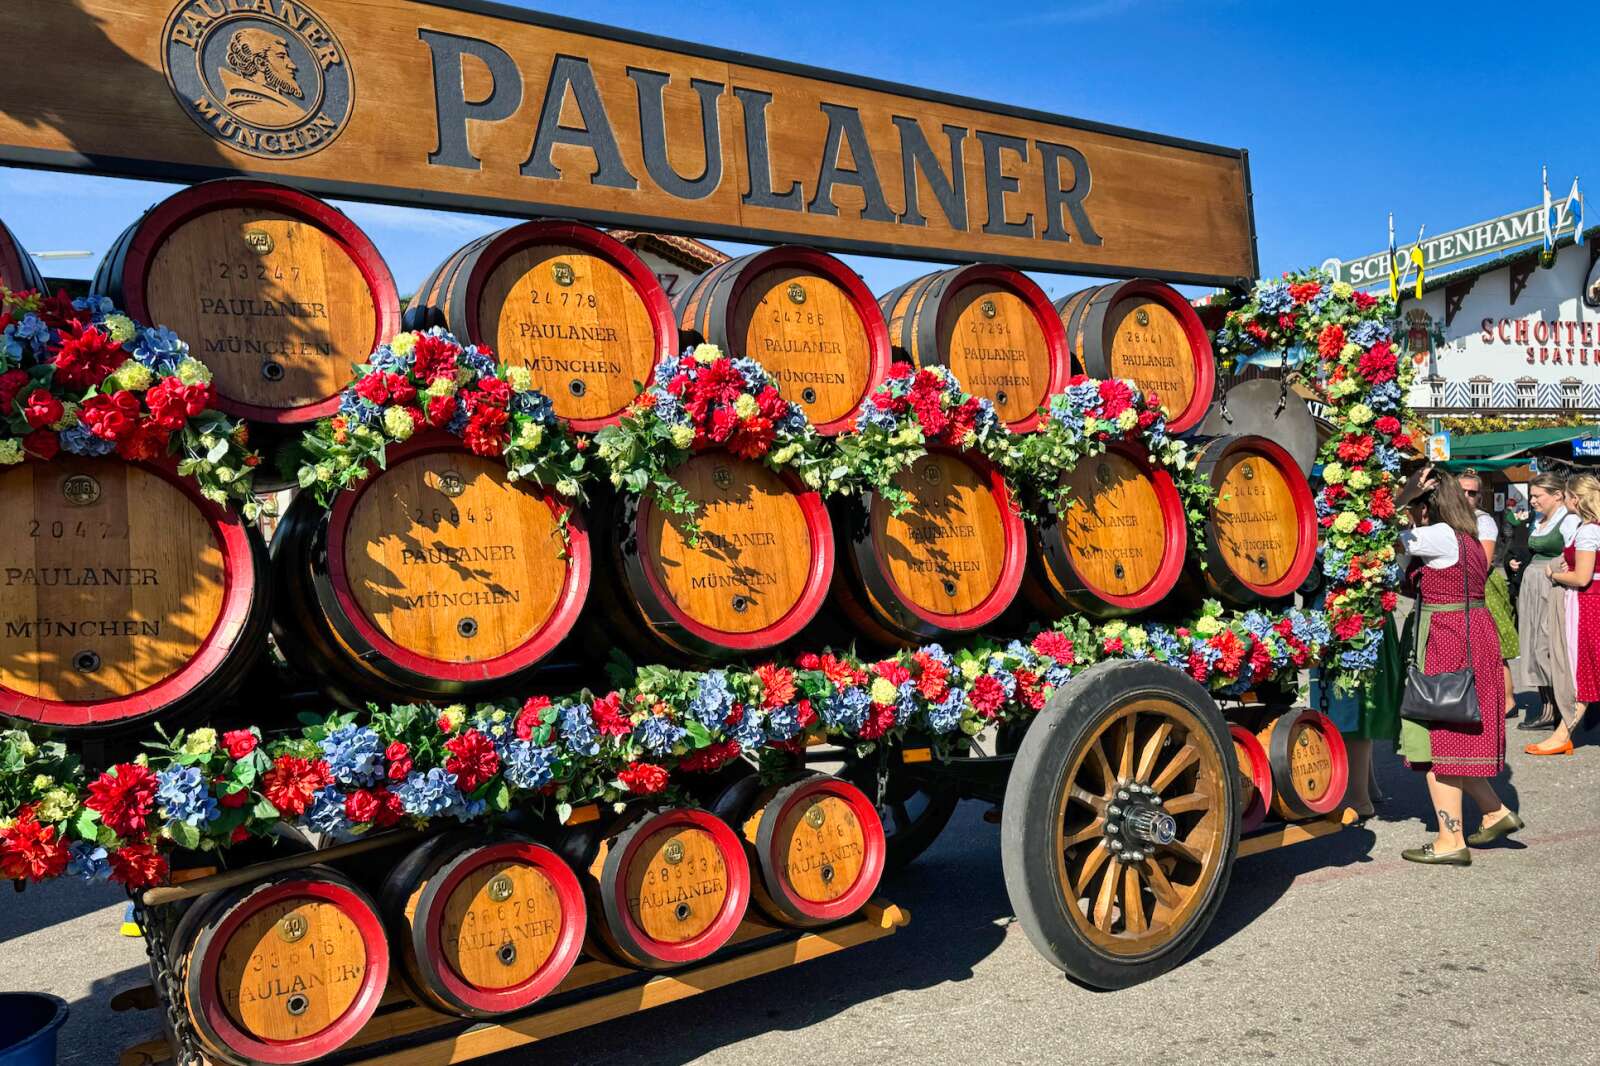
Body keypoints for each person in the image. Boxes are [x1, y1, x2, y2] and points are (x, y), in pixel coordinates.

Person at [1395, 468, 1517, 866]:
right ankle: (1496, 811)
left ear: (1428, 506)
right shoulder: (1463, 535)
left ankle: (1451, 839)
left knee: (1440, 735)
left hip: (1448, 634)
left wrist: (1404, 496)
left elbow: (1376, 534)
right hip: (1473, 631)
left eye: (1418, 507)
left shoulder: (1437, 536)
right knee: (1458, 734)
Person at [1528, 474, 1600, 755]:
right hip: (1590, 602)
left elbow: (1582, 577)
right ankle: (1563, 732)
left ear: (1576, 499)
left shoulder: (1588, 531)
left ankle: (1563, 733)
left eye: (1568, 495)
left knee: (1581, 669)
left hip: (1587, 604)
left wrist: (1554, 573)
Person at [1511, 474, 1579, 730]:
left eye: (1538, 495)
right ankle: (1546, 706)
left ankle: (1558, 709)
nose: (1532, 500)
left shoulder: (1569, 520)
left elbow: (1573, 554)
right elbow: (1529, 549)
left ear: (1557, 495)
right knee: (1531, 642)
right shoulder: (1539, 519)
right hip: (1531, 585)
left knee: (1546, 645)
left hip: (1552, 585)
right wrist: (1515, 561)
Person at [1457, 469, 1517, 716]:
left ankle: (1508, 701)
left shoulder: (1483, 520)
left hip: (1482, 585)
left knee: (1494, 645)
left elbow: (1484, 561)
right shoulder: (1445, 519)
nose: (1468, 496)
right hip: (1459, 587)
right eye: (1463, 491)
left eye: (1473, 493)